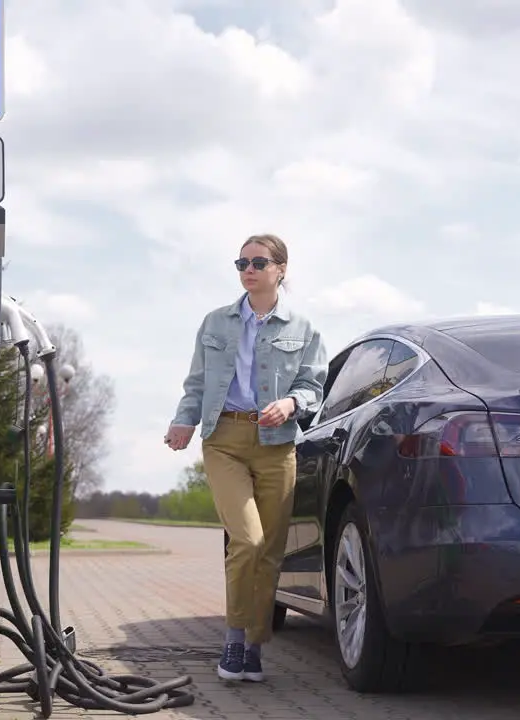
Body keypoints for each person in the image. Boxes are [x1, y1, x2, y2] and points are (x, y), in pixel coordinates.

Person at [164, 234, 327, 683]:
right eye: (242, 262)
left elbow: (315, 385)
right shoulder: (215, 323)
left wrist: (291, 403)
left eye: (258, 262)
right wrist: (184, 421)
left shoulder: (303, 329)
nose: (248, 269)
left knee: (271, 552)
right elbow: (196, 382)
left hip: (277, 443)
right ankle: (235, 638)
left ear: (280, 270)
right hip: (225, 440)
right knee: (248, 540)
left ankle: (254, 647)